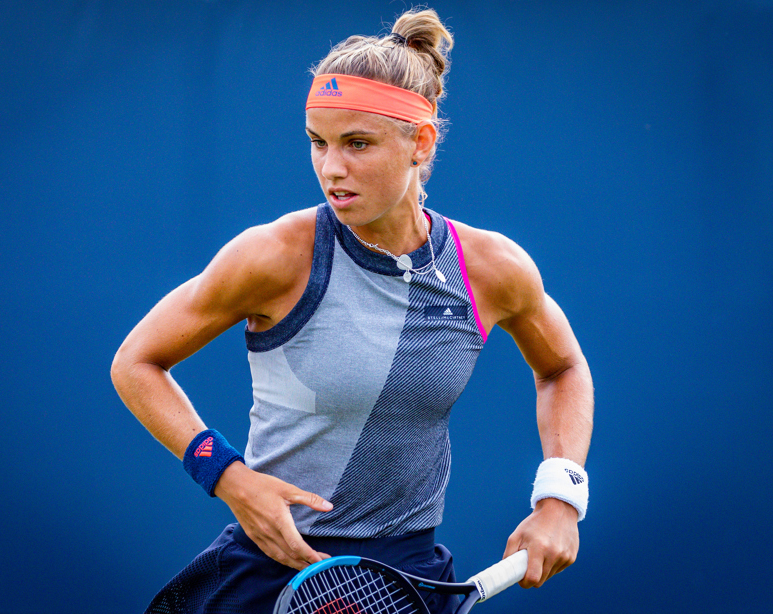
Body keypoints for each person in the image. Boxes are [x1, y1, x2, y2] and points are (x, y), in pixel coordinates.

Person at [111, 7, 593, 614]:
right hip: (267, 572)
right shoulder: (273, 255)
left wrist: (560, 498)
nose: (331, 168)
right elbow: (136, 362)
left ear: (421, 142)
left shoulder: (491, 268)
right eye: (318, 142)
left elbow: (562, 368)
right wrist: (229, 478)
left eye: (357, 143)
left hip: (409, 576)